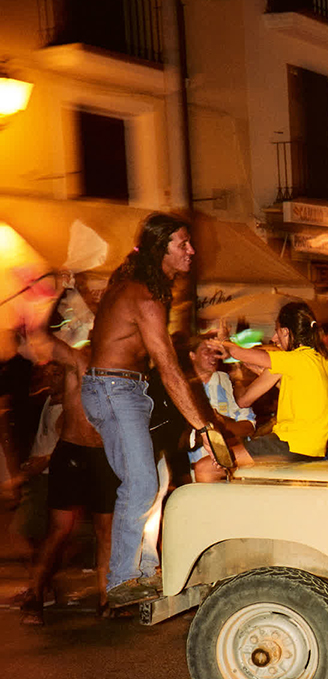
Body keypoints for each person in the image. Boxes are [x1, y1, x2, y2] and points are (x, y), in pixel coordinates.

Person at [81, 214, 215, 609]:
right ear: (161, 249)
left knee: (152, 481)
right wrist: (203, 426)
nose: (191, 251)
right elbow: (169, 366)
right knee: (141, 486)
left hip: (120, 389)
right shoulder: (144, 295)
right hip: (115, 388)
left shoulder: (143, 288)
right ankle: (123, 578)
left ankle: (144, 571)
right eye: (182, 244)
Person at [16, 333, 118, 623]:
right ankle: (34, 595)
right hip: (73, 453)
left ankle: (104, 597)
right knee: (59, 530)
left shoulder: (121, 371)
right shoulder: (78, 360)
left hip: (104, 457)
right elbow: (45, 340)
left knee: (105, 532)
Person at [213, 301, 328, 462]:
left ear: (285, 331)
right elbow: (246, 398)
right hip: (312, 448)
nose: (274, 339)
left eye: (276, 332)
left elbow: (239, 353)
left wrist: (222, 341)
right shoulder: (320, 360)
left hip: (291, 443)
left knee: (206, 467)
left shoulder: (292, 359)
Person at [185, 336, 256, 482]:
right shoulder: (183, 390)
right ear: (192, 356)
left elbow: (249, 427)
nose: (213, 356)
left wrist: (222, 424)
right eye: (206, 351)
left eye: (215, 351)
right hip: (196, 473)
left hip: (234, 470)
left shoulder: (229, 384)